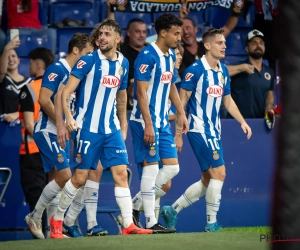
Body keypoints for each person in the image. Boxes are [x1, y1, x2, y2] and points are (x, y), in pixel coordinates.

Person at [49, 19, 153, 238]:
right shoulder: (87, 61)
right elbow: (65, 93)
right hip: (87, 128)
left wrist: (123, 125)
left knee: (121, 174)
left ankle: (127, 225)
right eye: (100, 35)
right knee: (79, 178)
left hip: (111, 129)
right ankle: (57, 220)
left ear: (118, 39)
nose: (102, 38)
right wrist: (69, 117)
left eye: (107, 34)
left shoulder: (124, 63)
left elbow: (122, 96)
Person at [160, 28, 252, 232]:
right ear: (207, 45)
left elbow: (227, 101)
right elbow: (181, 104)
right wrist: (179, 136)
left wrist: (242, 121)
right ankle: (211, 223)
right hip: (198, 129)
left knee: (208, 179)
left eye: (225, 43)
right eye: (220, 42)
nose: (224, 46)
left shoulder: (223, 71)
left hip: (214, 130)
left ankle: (172, 210)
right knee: (220, 173)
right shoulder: (195, 70)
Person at [24, 33, 93, 239]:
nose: (89, 58)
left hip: (60, 132)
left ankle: (54, 231)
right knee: (65, 176)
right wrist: (62, 124)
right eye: (87, 53)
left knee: (57, 180)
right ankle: (35, 216)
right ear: (76, 50)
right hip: (47, 130)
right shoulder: (57, 69)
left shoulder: (74, 74)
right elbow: (44, 100)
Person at [129, 13, 188, 233]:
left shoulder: (171, 55)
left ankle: (134, 205)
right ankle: (150, 222)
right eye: (175, 33)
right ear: (163, 33)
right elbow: (141, 93)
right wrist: (148, 123)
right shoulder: (146, 55)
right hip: (144, 121)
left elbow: (172, 85)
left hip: (162, 121)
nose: (179, 38)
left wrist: (181, 113)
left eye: (180, 33)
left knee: (172, 168)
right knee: (151, 171)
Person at [19, 47, 54, 238]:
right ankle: (52, 234)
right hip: (53, 149)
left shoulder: (29, 89)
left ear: (38, 65)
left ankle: (41, 238)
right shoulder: (57, 87)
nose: (29, 66)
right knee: (53, 193)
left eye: (31, 62)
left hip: (33, 151)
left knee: (36, 196)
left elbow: (30, 125)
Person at [107, 0, 148, 118]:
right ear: (129, 33)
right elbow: (111, 31)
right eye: (137, 32)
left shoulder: (151, 51)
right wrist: (111, 9)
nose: (141, 35)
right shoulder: (122, 50)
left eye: (144, 32)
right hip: (127, 103)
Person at [178, 0, 239, 78]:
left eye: (188, 28)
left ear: (196, 29)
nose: (185, 32)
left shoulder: (206, 45)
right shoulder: (180, 52)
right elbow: (174, 37)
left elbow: (228, 27)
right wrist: (180, 19)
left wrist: (237, 10)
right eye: (182, 30)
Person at [0, 35, 31, 183]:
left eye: (14, 56)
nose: (11, 59)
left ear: (19, 60)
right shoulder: (2, 79)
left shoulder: (29, 82)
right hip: (5, 132)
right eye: (8, 57)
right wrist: (6, 48)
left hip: (24, 132)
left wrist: (16, 114)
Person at [226, 29, 274, 118]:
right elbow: (219, 71)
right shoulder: (240, 65)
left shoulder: (269, 71)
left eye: (261, 43)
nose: (258, 45)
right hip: (238, 122)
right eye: (254, 43)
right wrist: (242, 68)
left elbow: (269, 94)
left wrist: (269, 106)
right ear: (247, 48)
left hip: (260, 122)